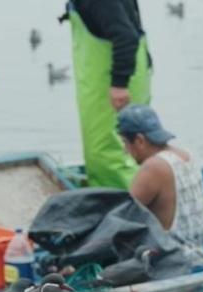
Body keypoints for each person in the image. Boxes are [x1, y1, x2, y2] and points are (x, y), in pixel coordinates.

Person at [69, 0, 153, 189]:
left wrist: (119, 84)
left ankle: (133, 208)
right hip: (106, 82)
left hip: (112, 87)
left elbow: (126, 36)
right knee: (118, 151)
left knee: (111, 154)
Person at [117, 105, 203, 266]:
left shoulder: (154, 167)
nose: (126, 151)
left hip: (172, 263)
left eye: (125, 143)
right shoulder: (186, 154)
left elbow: (120, 218)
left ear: (139, 140)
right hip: (199, 251)